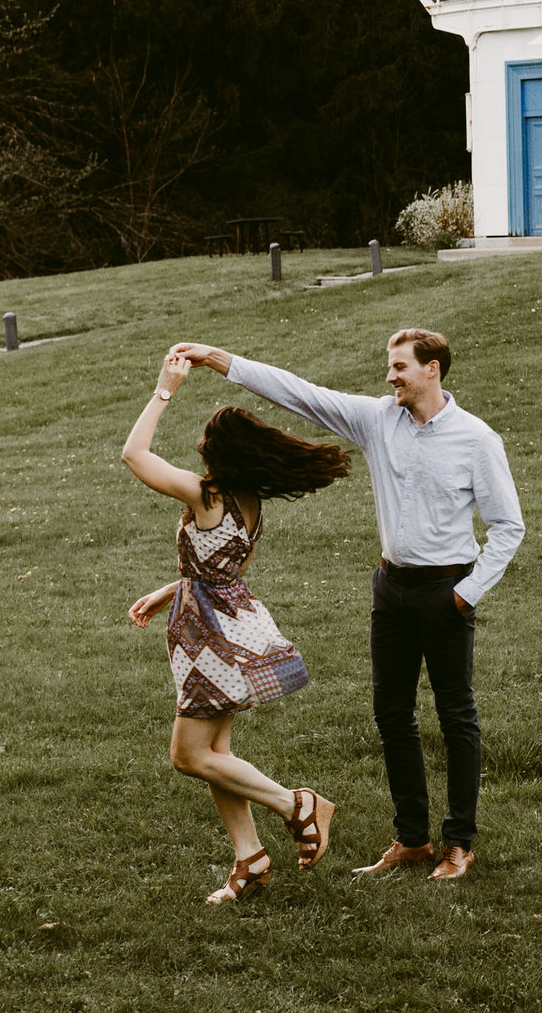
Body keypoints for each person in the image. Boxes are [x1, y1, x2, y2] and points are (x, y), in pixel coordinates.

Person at [172, 329, 522, 883]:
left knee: (456, 717)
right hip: (391, 589)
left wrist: (465, 594)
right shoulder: (378, 419)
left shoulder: (477, 439)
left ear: (433, 369)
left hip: (447, 592)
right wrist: (217, 359)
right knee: (392, 715)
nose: (390, 376)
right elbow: (299, 393)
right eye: (390, 366)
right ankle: (411, 841)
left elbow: (508, 527)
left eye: (401, 367)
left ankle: (458, 844)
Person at [121, 349, 346, 904]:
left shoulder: (205, 494)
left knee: (189, 756)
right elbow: (221, 569)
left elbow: (133, 453)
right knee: (217, 752)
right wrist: (168, 589)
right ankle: (249, 860)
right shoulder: (249, 503)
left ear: (217, 454)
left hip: (208, 641)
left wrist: (165, 388)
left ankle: (298, 805)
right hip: (228, 625)